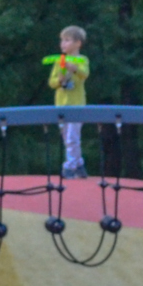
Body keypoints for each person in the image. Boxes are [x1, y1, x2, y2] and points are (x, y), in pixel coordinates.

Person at [47, 26, 90, 177]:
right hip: (61, 104)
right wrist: (59, 80)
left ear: (78, 43)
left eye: (67, 40)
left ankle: (69, 166)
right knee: (67, 137)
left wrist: (74, 68)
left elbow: (85, 74)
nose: (63, 44)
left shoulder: (83, 60)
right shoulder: (59, 61)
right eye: (62, 40)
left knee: (72, 136)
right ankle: (78, 164)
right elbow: (51, 83)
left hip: (77, 104)